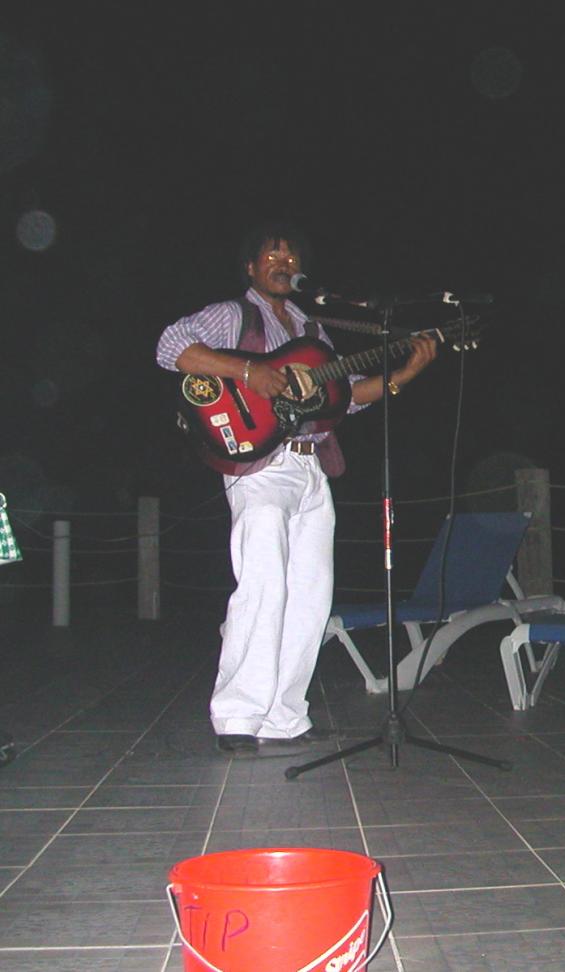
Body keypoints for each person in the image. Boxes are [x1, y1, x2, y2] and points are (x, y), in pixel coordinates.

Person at [156, 222, 438, 757]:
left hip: (312, 468)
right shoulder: (233, 314)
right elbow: (171, 347)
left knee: (311, 596)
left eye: (290, 256)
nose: (283, 262)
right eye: (272, 254)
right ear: (251, 267)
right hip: (261, 464)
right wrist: (248, 372)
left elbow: (345, 397)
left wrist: (405, 374)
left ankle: (283, 716)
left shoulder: (313, 330)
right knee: (263, 586)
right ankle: (238, 715)